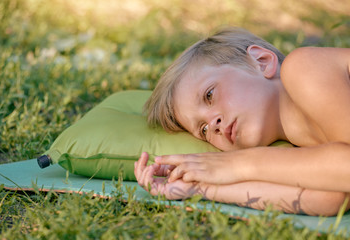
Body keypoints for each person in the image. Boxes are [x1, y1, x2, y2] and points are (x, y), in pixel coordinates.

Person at [134, 27, 350, 216]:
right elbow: (330, 196)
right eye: (203, 129)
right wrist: (198, 188)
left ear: (262, 61)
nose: (214, 123)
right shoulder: (302, 145)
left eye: (209, 95)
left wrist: (239, 164)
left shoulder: (304, 68)